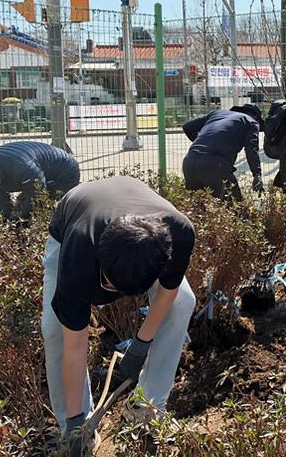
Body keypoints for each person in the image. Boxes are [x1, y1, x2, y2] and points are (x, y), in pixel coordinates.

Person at [43, 176, 196, 455]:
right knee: (54, 330)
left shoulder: (180, 233)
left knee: (183, 301)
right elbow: (75, 344)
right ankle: (74, 427)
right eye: (109, 286)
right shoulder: (79, 253)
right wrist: (77, 421)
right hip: (74, 221)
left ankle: (146, 407)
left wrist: (141, 343)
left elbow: (167, 292)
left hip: (143, 232)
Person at [0, 141, 80, 220]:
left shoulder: (23, 168)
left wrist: (18, 216)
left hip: (65, 172)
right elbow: (0, 195)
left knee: (48, 211)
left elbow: (37, 194)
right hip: (40, 172)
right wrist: (4, 218)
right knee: (21, 206)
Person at [182, 104, 264, 202]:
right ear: (255, 117)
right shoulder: (251, 122)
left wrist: (205, 146)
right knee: (237, 210)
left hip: (189, 162)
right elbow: (251, 150)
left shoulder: (217, 113)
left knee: (197, 211)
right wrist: (257, 175)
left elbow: (187, 127)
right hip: (216, 166)